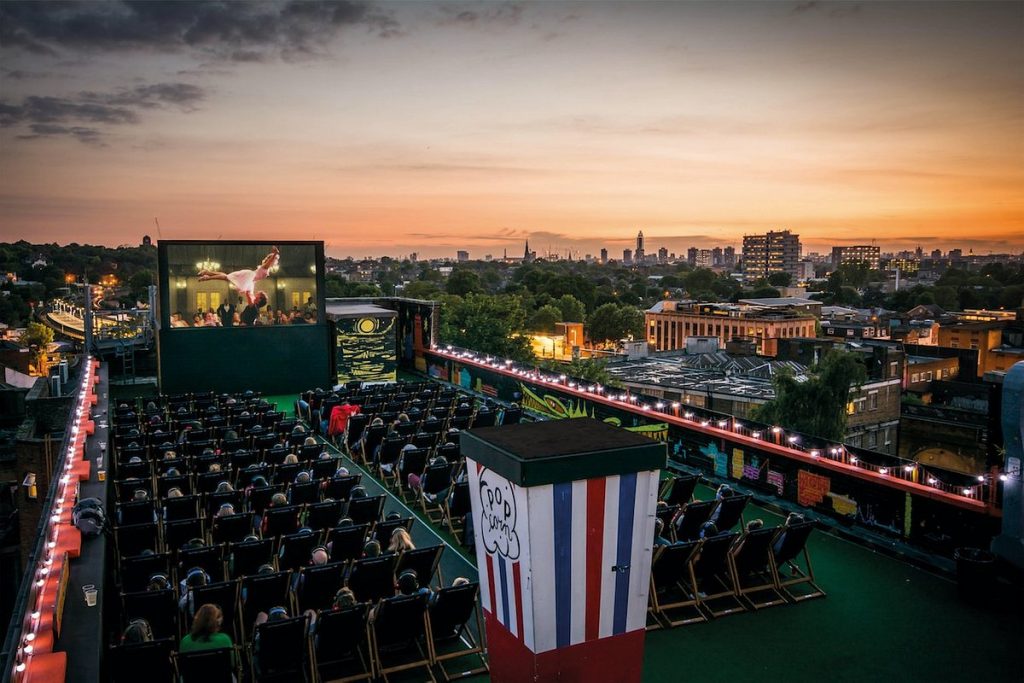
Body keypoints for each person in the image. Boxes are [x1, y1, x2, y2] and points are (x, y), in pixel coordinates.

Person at [198, 246, 279, 306]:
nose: (272, 262)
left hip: (250, 279)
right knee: (227, 277)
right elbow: (270, 260)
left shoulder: (265, 268)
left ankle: (207, 273)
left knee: (227, 277)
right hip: (249, 277)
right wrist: (275, 253)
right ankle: (207, 277)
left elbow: (258, 276)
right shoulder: (265, 267)